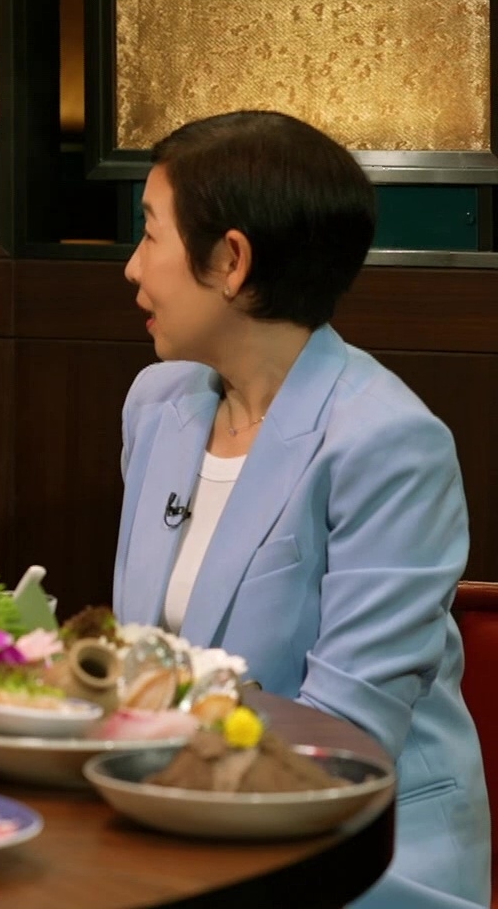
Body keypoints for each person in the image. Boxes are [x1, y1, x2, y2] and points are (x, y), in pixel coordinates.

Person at [115, 110, 488, 907]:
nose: (131, 267)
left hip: (358, 856)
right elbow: (142, 667)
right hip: (179, 818)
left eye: (149, 233)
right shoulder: (158, 403)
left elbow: (342, 736)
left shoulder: (388, 444)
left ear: (232, 260)